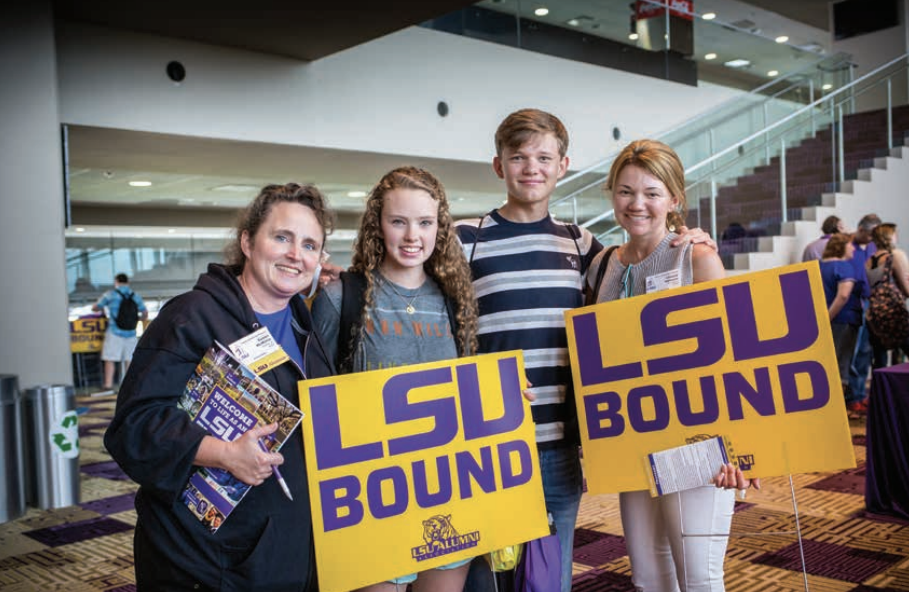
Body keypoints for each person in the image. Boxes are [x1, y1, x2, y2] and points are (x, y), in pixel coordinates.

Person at [456, 109, 715, 592]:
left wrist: (695, 241)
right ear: (499, 166)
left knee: (549, 577)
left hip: (559, 444)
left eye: (543, 157)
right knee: (484, 577)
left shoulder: (585, 247)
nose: (531, 168)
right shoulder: (464, 240)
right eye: (518, 157)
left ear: (563, 166)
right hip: (488, 443)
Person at [104, 183, 336, 591]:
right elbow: (132, 428)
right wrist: (224, 454)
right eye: (281, 237)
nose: (295, 255)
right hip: (204, 560)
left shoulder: (305, 325)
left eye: (309, 245)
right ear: (247, 241)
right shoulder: (192, 316)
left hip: (284, 549)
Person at [585, 139, 756, 592]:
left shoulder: (695, 258)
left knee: (698, 579)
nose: (637, 204)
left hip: (694, 442)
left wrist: (737, 449)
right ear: (612, 194)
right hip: (631, 437)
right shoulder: (602, 264)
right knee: (649, 579)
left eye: (652, 193)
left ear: (675, 199)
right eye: (625, 191)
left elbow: (729, 359)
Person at [311, 166, 479, 591]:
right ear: (377, 225)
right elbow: (315, 401)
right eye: (398, 221)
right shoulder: (341, 298)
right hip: (371, 499)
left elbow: (465, 388)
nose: (412, 236)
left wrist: (507, 400)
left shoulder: (455, 300)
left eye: (425, 223)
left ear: (439, 227)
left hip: (446, 493)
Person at [818, 233, 866, 418]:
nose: (853, 248)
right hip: (843, 319)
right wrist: (827, 317)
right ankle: (839, 410)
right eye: (850, 245)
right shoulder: (844, 266)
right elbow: (843, 296)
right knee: (841, 364)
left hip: (826, 320)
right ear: (841, 247)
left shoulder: (819, 266)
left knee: (829, 363)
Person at [866, 222, 909, 367]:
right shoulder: (895, 256)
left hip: (875, 314)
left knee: (880, 361)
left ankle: (881, 390)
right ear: (889, 236)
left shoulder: (869, 261)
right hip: (894, 314)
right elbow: (908, 291)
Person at [846, 214, 881, 414]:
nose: (871, 239)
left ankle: (860, 394)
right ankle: (852, 396)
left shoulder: (873, 247)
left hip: (870, 302)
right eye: (869, 235)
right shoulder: (847, 245)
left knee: (866, 351)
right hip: (852, 304)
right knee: (853, 351)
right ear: (860, 230)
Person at [92, 273, 148, 390]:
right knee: (129, 360)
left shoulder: (110, 295)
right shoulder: (135, 295)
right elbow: (145, 312)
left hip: (114, 331)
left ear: (116, 282)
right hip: (131, 332)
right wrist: (139, 321)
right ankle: (128, 386)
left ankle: (108, 385)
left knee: (110, 359)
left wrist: (102, 308)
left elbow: (95, 307)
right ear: (128, 282)